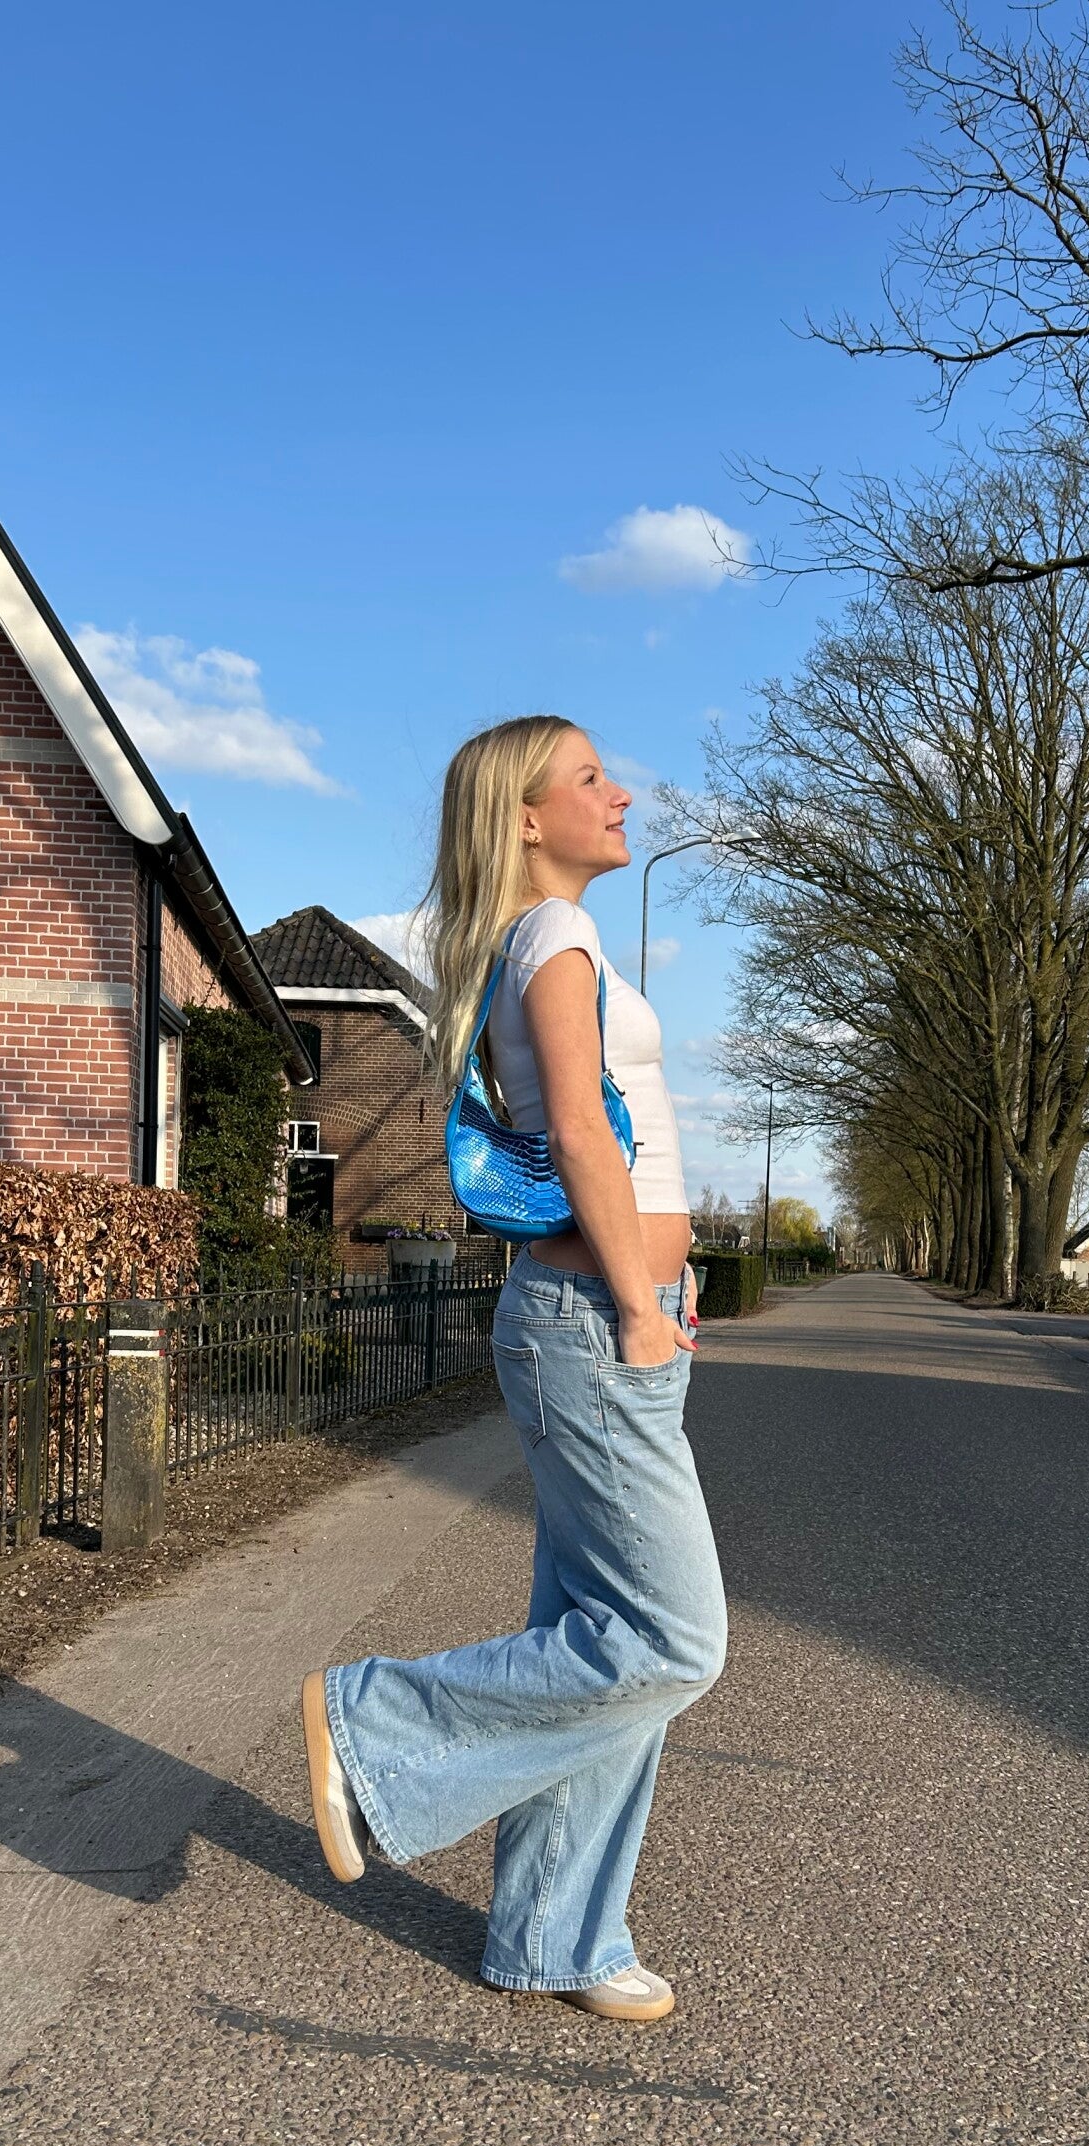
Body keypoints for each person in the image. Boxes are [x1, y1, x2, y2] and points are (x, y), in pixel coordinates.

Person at [299, 715, 726, 2022]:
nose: (623, 793)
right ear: (526, 818)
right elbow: (586, 1138)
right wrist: (640, 1303)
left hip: (617, 1306)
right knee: (673, 1638)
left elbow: (611, 1134)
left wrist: (665, 1283)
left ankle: (557, 1938)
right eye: (591, 778)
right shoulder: (555, 937)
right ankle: (373, 1724)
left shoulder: (546, 939)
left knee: (596, 1637)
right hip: (597, 1317)